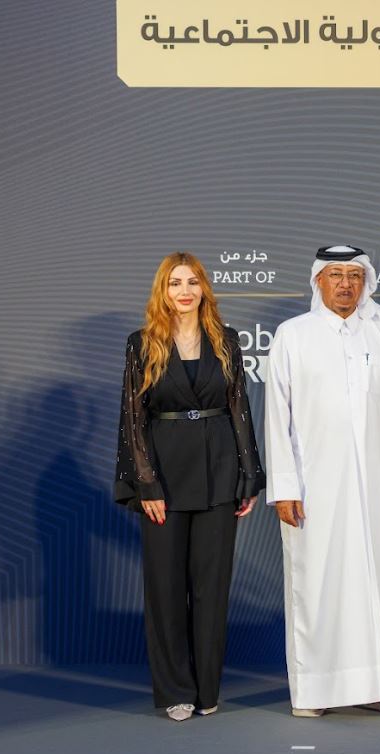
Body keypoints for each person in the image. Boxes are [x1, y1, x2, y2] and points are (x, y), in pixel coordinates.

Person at [264, 245, 380, 718]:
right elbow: (277, 418)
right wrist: (285, 487)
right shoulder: (293, 335)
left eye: (354, 275)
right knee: (316, 583)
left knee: (379, 582)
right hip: (314, 490)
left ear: (365, 281)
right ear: (318, 281)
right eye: (335, 275)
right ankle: (314, 691)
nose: (346, 284)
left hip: (377, 489)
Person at [114, 252, 265, 721]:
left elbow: (239, 410)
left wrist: (250, 476)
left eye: (192, 281)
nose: (184, 290)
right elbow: (133, 419)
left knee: (211, 587)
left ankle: (206, 688)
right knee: (165, 586)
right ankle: (175, 689)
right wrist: (147, 484)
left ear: (204, 289)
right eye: (175, 282)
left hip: (220, 470)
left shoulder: (227, 340)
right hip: (164, 475)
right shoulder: (142, 343)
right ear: (163, 290)